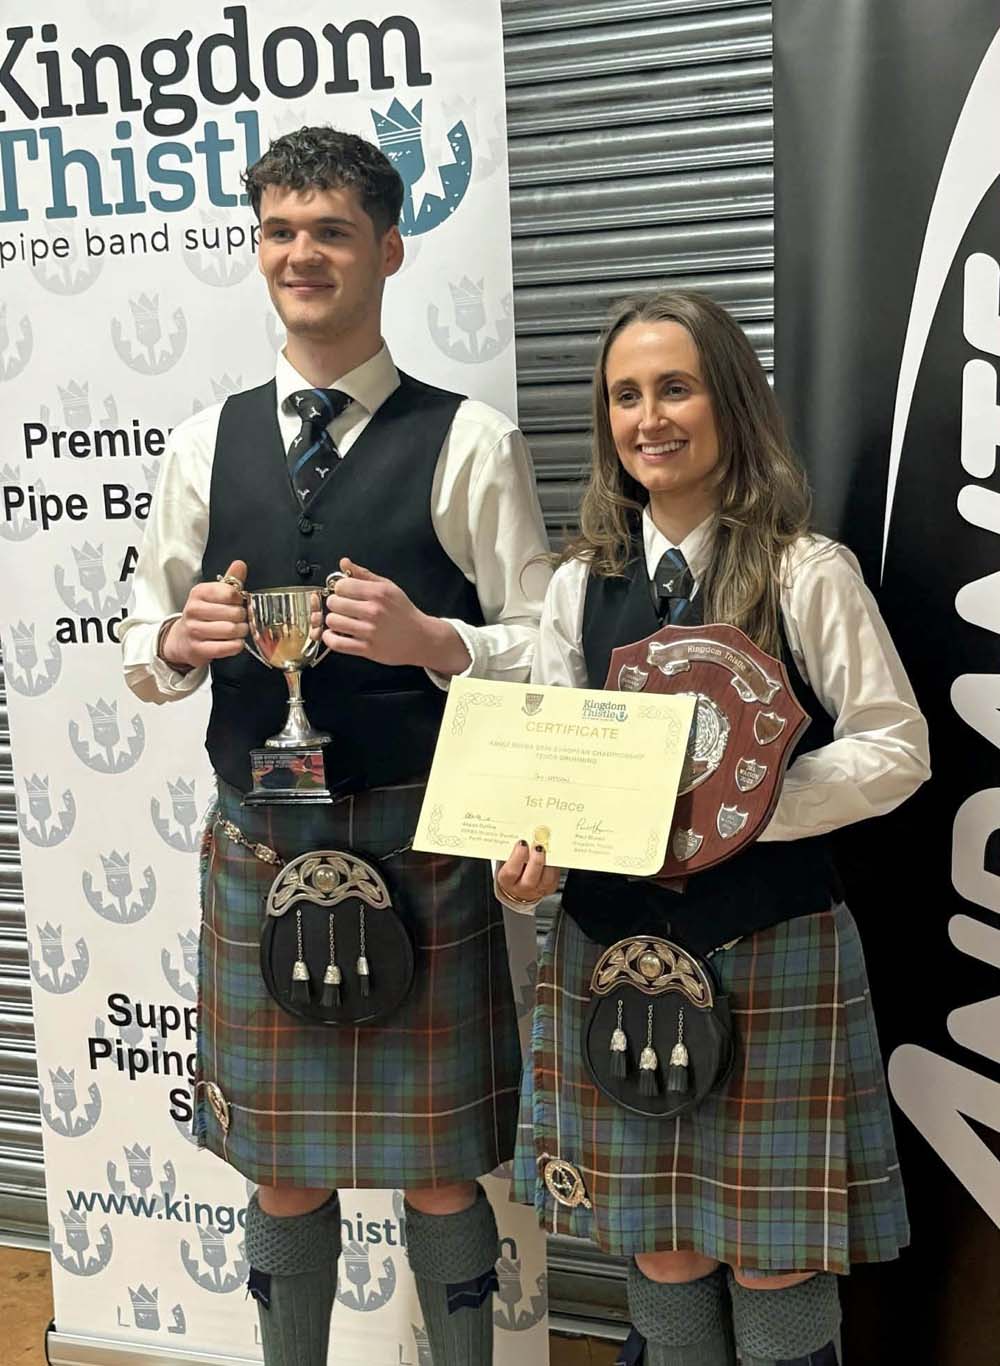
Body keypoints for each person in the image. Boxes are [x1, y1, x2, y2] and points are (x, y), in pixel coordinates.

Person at [121, 125, 550, 1366]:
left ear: (390, 249)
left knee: (437, 1173)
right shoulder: (202, 441)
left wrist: (435, 641)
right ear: (258, 249)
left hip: (421, 835)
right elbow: (142, 657)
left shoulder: (472, 440)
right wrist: (183, 639)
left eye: (331, 230)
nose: (300, 253)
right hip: (261, 843)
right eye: (279, 230)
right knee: (281, 1174)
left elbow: (543, 641)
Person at [497, 291, 930, 1366]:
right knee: (660, 1246)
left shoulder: (803, 570)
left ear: (728, 400)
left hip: (770, 945)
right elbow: (553, 769)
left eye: (675, 387)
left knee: (778, 1252)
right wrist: (528, 863)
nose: (649, 417)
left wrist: (736, 810)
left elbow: (895, 745)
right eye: (625, 395)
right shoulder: (572, 591)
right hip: (611, 951)